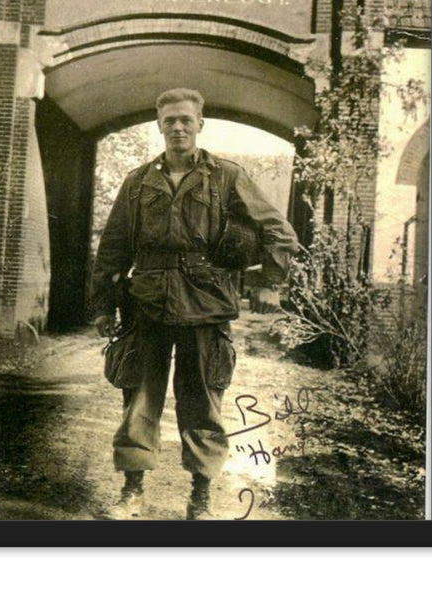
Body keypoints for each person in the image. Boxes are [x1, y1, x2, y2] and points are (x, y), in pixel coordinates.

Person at [90, 88, 299, 519]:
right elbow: (112, 248)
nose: (178, 127)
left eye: (186, 119)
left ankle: (200, 498)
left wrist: (270, 283)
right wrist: (103, 305)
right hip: (146, 303)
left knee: (202, 403)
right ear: (159, 125)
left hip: (206, 303)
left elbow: (279, 231)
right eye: (170, 120)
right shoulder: (137, 182)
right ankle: (132, 492)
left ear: (200, 124)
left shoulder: (226, 177)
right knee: (139, 399)